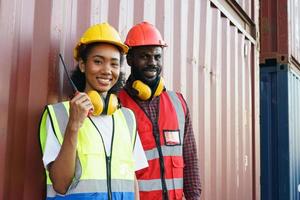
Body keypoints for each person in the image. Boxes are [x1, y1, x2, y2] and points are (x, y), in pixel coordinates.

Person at [39, 22, 148, 200]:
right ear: (82, 65)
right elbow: (60, 184)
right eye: (98, 61)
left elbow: (132, 180)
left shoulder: (127, 118)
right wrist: (73, 125)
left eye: (114, 64)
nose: (107, 70)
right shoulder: (58, 115)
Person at [118, 21, 201, 200]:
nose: (152, 63)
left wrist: (194, 197)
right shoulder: (117, 104)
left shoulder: (178, 103)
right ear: (130, 59)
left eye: (157, 56)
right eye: (144, 56)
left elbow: (190, 157)